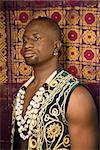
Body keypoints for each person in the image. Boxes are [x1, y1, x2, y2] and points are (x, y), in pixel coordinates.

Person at [10, 17, 98, 150]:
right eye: (25, 40)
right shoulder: (22, 93)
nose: (27, 45)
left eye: (36, 38)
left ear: (56, 46)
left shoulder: (76, 97)